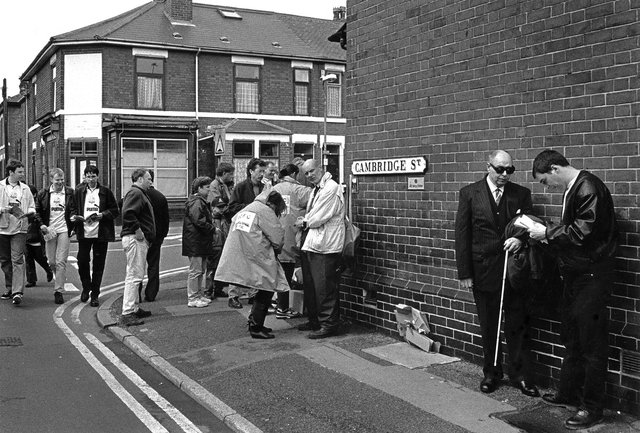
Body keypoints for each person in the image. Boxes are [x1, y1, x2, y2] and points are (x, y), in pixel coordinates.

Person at [529, 149, 618, 430]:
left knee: (592, 345)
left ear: (555, 169)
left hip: (590, 278)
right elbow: (577, 231)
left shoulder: (588, 186)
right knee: (573, 337)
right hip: (577, 276)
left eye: (545, 181)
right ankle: (569, 392)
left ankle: (592, 408)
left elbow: (582, 232)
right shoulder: (576, 187)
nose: (547, 187)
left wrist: (547, 233)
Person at [454, 150, 539, 397]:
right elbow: (462, 234)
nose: (504, 175)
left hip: (514, 271)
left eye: (509, 170)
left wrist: (520, 240)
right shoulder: (469, 193)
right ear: (488, 167)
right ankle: (491, 373)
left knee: (517, 324)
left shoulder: (521, 194)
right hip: (483, 271)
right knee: (489, 325)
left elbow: (531, 225)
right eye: (500, 169)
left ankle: (520, 375)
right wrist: (464, 273)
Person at [215, 190, 289, 339]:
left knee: (261, 286)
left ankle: (256, 323)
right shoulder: (265, 211)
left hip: (241, 252)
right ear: (273, 204)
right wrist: (277, 249)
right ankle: (255, 326)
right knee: (267, 286)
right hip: (256, 253)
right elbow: (277, 236)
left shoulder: (249, 208)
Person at [294, 159, 345, 339]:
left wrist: (305, 221)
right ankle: (315, 320)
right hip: (314, 243)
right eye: (306, 173)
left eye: (312, 171)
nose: (309, 175)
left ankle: (329, 324)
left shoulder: (331, 188)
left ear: (321, 169)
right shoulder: (318, 189)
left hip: (326, 246)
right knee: (312, 286)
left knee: (324, 287)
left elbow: (319, 216)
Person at [71, 165, 119, 307]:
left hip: (101, 233)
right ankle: (86, 287)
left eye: (93, 176)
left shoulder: (105, 192)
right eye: (88, 176)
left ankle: (95, 294)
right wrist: (74, 216)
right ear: (84, 177)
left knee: (98, 264)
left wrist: (102, 215)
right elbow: (72, 208)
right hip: (84, 232)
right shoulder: (79, 192)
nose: (91, 179)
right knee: (82, 260)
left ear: (98, 177)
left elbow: (115, 210)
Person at [225, 158, 269, 308]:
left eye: (264, 171)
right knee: (239, 262)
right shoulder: (241, 187)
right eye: (259, 171)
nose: (262, 174)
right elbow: (232, 207)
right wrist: (252, 207)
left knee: (255, 261)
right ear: (251, 171)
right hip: (243, 229)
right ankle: (233, 295)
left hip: (257, 230)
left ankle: (253, 294)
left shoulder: (266, 188)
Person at [272, 163, 312, 319]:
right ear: (295, 174)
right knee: (287, 274)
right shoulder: (299, 190)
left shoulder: (275, 188)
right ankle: (282, 308)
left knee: (278, 273)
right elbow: (317, 198)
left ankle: (277, 303)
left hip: (275, 235)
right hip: (292, 237)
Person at [119, 169, 155, 326]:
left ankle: (133, 308)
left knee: (134, 274)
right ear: (140, 179)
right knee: (134, 276)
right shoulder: (136, 193)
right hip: (135, 239)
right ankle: (127, 312)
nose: (150, 182)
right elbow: (127, 213)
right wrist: (138, 231)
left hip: (135, 239)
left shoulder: (137, 192)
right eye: (148, 179)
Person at [35, 169, 74, 304]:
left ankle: (58, 291)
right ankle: (57, 276)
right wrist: (41, 225)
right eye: (57, 180)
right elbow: (37, 211)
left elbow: (74, 209)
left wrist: (73, 222)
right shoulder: (43, 194)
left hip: (64, 230)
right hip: (50, 230)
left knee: (61, 261)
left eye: (62, 179)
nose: (60, 182)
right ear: (51, 179)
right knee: (51, 262)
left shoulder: (69, 192)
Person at [0, 160, 36, 306]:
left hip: (20, 228)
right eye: (20, 172)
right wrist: (3, 210)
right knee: (5, 260)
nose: (22, 174)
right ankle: (9, 287)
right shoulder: (0, 187)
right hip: (2, 228)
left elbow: (33, 207)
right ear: (11, 172)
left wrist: (29, 213)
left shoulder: (26, 189)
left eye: (23, 171)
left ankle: (17, 292)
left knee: (17, 259)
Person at [182, 176, 217, 308]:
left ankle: (197, 295)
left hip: (198, 241)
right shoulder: (196, 202)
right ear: (199, 188)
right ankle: (193, 297)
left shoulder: (198, 201)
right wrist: (212, 228)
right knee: (196, 270)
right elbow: (199, 220)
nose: (209, 190)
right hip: (195, 241)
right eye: (207, 187)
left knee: (200, 270)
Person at [204, 162, 235, 300]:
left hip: (224, 224)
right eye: (230, 173)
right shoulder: (215, 186)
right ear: (224, 173)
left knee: (222, 256)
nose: (232, 176)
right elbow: (218, 205)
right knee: (215, 257)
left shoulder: (226, 185)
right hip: (217, 225)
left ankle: (218, 288)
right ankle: (208, 290)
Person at [138, 170, 169, 302]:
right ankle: (151, 294)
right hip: (156, 237)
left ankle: (136, 295)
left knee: (138, 267)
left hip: (141, 236)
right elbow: (165, 219)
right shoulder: (160, 197)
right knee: (153, 266)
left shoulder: (137, 195)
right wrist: (162, 236)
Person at [25, 184, 54, 289]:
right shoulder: (24, 203)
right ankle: (31, 280)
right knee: (28, 258)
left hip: (36, 235)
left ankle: (48, 269)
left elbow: (41, 217)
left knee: (39, 257)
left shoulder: (38, 203)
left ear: (34, 194)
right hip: (25, 235)